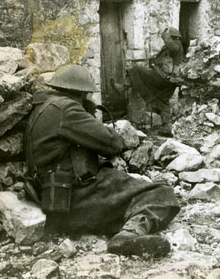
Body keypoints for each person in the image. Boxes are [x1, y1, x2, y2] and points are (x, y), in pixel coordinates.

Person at [24, 65, 180, 257]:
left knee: (125, 195)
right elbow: (112, 143)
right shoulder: (68, 109)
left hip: (54, 198)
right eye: (88, 94)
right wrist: (89, 114)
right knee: (161, 193)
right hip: (76, 198)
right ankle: (128, 236)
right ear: (81, 92)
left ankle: (123, 228)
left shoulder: (44, 106)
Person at [127, 27, 184, 136]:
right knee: (162, 99)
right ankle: (167, 126)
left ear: (172, 37)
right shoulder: (175, 46)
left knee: (137, 69)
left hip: (164, 78)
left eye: (169, 36)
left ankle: (125, 86)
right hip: (170, 80)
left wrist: (165, 36)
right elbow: (166, 59)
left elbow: (173, 48)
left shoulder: (176, 45)